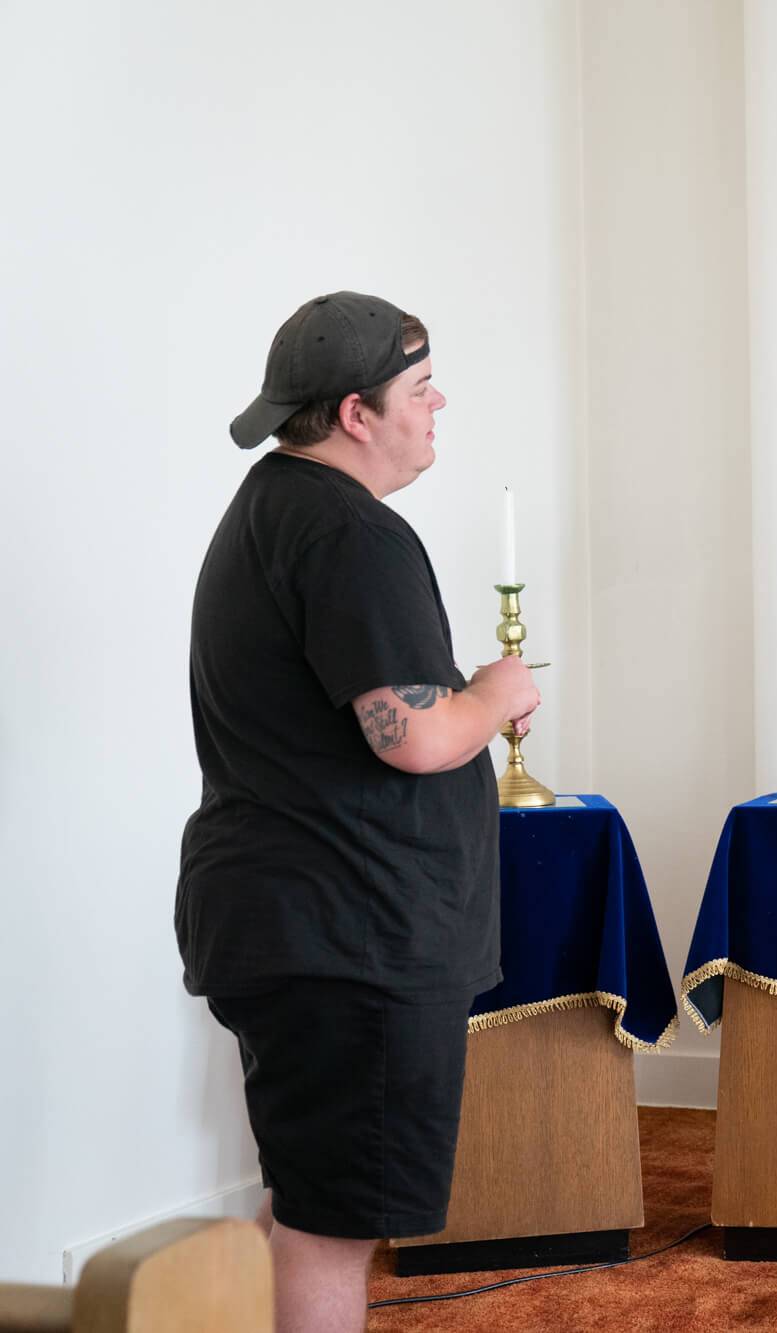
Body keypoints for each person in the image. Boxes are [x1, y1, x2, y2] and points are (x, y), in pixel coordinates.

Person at [176, 292, 539, 1331]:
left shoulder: (273, 506)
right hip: (351, 938)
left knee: (312, 1195)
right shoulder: (349, 532)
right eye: (419, 390)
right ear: (354, 412)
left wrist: (461, 698)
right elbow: (410, 735)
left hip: (302, 923)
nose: (437, 406)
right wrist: (495, 693)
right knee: (334, 1222)